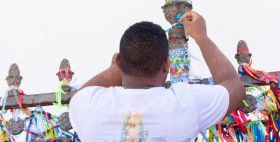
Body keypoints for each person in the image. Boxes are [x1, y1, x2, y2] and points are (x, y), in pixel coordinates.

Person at [69, 11, 245, 141]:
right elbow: (234, 87)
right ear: (167, 65)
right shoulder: (185, 103)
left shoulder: (87, 106)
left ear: (118, 61)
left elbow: (81, 94)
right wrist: (201, 36)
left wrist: (124, 63)